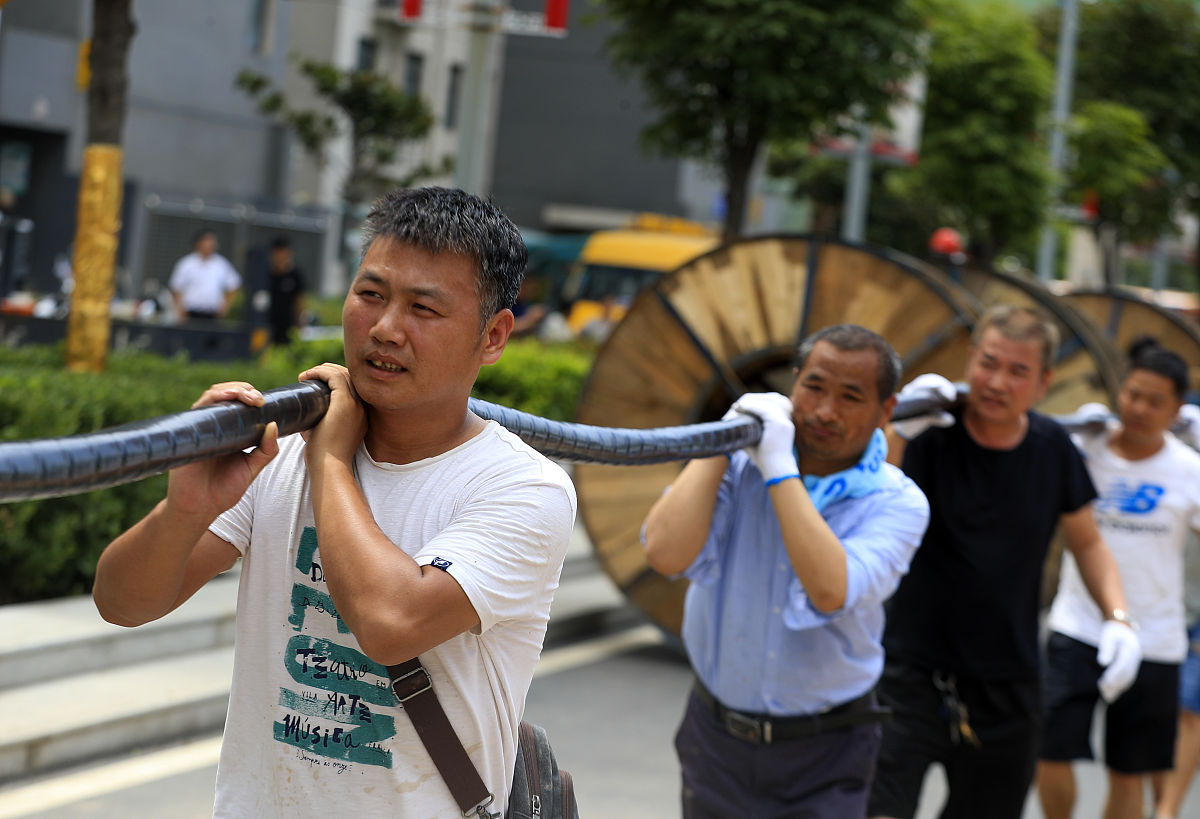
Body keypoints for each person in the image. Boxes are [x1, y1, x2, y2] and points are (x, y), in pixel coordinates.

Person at [92, 187, 578, 817]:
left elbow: (389, 622)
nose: (384, 328)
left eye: (425, 309)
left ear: (493, 336)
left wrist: (329, 456)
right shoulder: (282, 453)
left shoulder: (524, 488)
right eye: (370, 294)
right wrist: (185, 508)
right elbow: (123, 602)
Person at [642, 323, 931, 818]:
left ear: (886, 411)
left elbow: (830, 590)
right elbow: (665, 553)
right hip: (716, 739)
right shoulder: (740, 466)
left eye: (850, 397)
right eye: (813, 386)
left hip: (828, 748)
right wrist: (723, 441)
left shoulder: (897, 500)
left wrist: (779, 468)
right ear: (793, 383)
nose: (823, 412)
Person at [867, 304, 1140, 819]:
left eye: (1017, 371)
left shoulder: (1052, 448)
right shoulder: (932, 434)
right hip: (910, 671)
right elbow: (870, 500)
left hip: (1007, 680)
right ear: (971, 360)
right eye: (988, 363)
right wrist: (900, 431)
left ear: (1043, 383)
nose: (997, 382)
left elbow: (1088, 542)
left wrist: (1119, 618)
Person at [1036, 338, 1200, 819]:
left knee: (1129, 770)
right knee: (1050, 749)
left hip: (1155, 638)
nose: (1139, 409)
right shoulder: (1084, 451)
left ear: (1176, 410)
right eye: (1132, 395)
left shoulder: (1188, 470)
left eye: (1155, 401)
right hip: (1078, 625)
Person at [169, 228, 242, 321]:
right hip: (190, 313)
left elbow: (234, 285)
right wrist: (180, 310)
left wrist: (225, 307)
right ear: (198, 243)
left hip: (213, 314)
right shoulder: (187, 263)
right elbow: (176, 288)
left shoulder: (221, 264)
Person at [266, 236, 307, 345]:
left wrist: (301, 323)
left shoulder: (295, 275)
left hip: (288, 324)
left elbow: (300, 300)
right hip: (267, 323)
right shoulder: (266, 274)